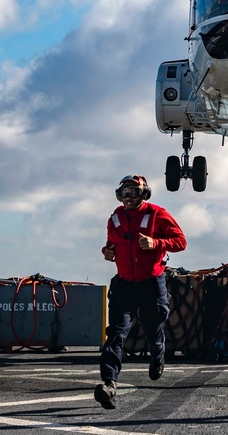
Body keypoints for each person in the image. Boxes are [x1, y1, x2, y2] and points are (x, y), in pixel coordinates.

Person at [94, 174, 187, 410]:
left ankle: (158, 354)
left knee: (152, 326)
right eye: (123, 193)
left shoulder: (157, 214)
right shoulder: (114, 218)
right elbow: (110, 243)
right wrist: (107, 251)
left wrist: (157, 243)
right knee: (116, 334)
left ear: (144, 194)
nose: (127, 198)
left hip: (151, 282)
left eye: (132, 193)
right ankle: (109, 383)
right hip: (124, 283)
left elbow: (180, 241)